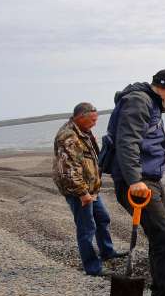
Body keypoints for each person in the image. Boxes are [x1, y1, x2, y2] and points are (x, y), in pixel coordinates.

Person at [104, 69, 165, 296]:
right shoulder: (139, 101)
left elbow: (148, 146)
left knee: (161, 236)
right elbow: (127, 142)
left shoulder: (151, 105)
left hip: (150, 181)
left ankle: (162, 292)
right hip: (140, 184)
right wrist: (135, 181)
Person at [53, 102, 124, 275]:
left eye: (95, 120)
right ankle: (92, 267)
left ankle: (107, 252)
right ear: (80, 117)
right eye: (92, 120)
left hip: (91, 189)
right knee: (86, 228)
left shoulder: (83, 131)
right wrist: (82, 193)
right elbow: (68, 168)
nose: (94, 123)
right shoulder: (68, 136)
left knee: (102, 218)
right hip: (79, 191)